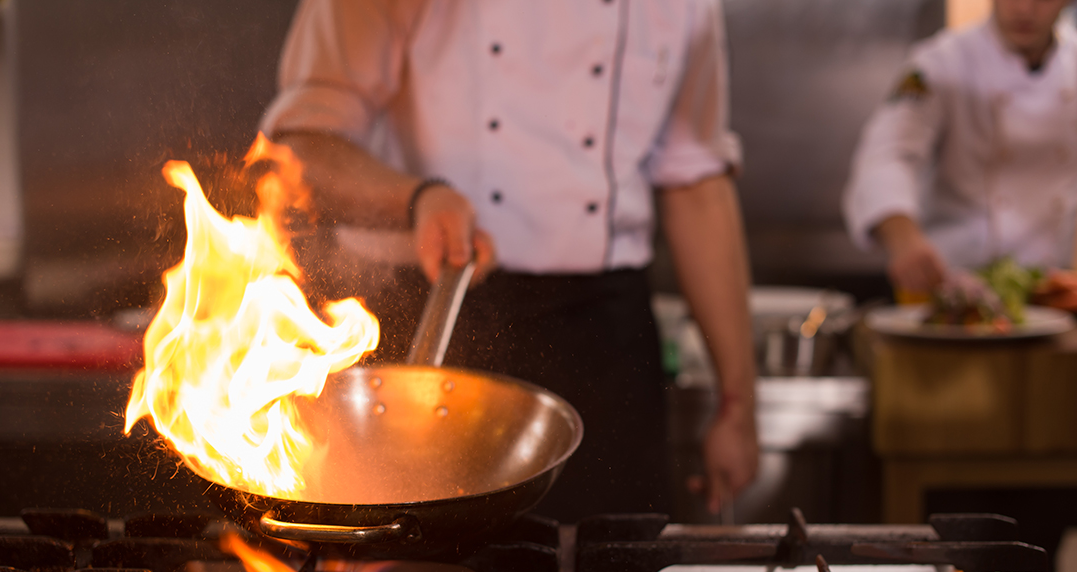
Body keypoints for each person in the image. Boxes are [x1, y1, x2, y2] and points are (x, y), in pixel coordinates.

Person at [260, 0, 758, 522]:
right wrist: (415, 199)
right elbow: (301, 151)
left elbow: (696, 182)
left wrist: (738, 405)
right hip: (434, 313)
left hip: (604, 348)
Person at [843, 0, 1077, 300]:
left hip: (1048, 292)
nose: (1024, 9)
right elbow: (888, 153)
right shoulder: (939, 63)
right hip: (949, 285)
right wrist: (903, 238)